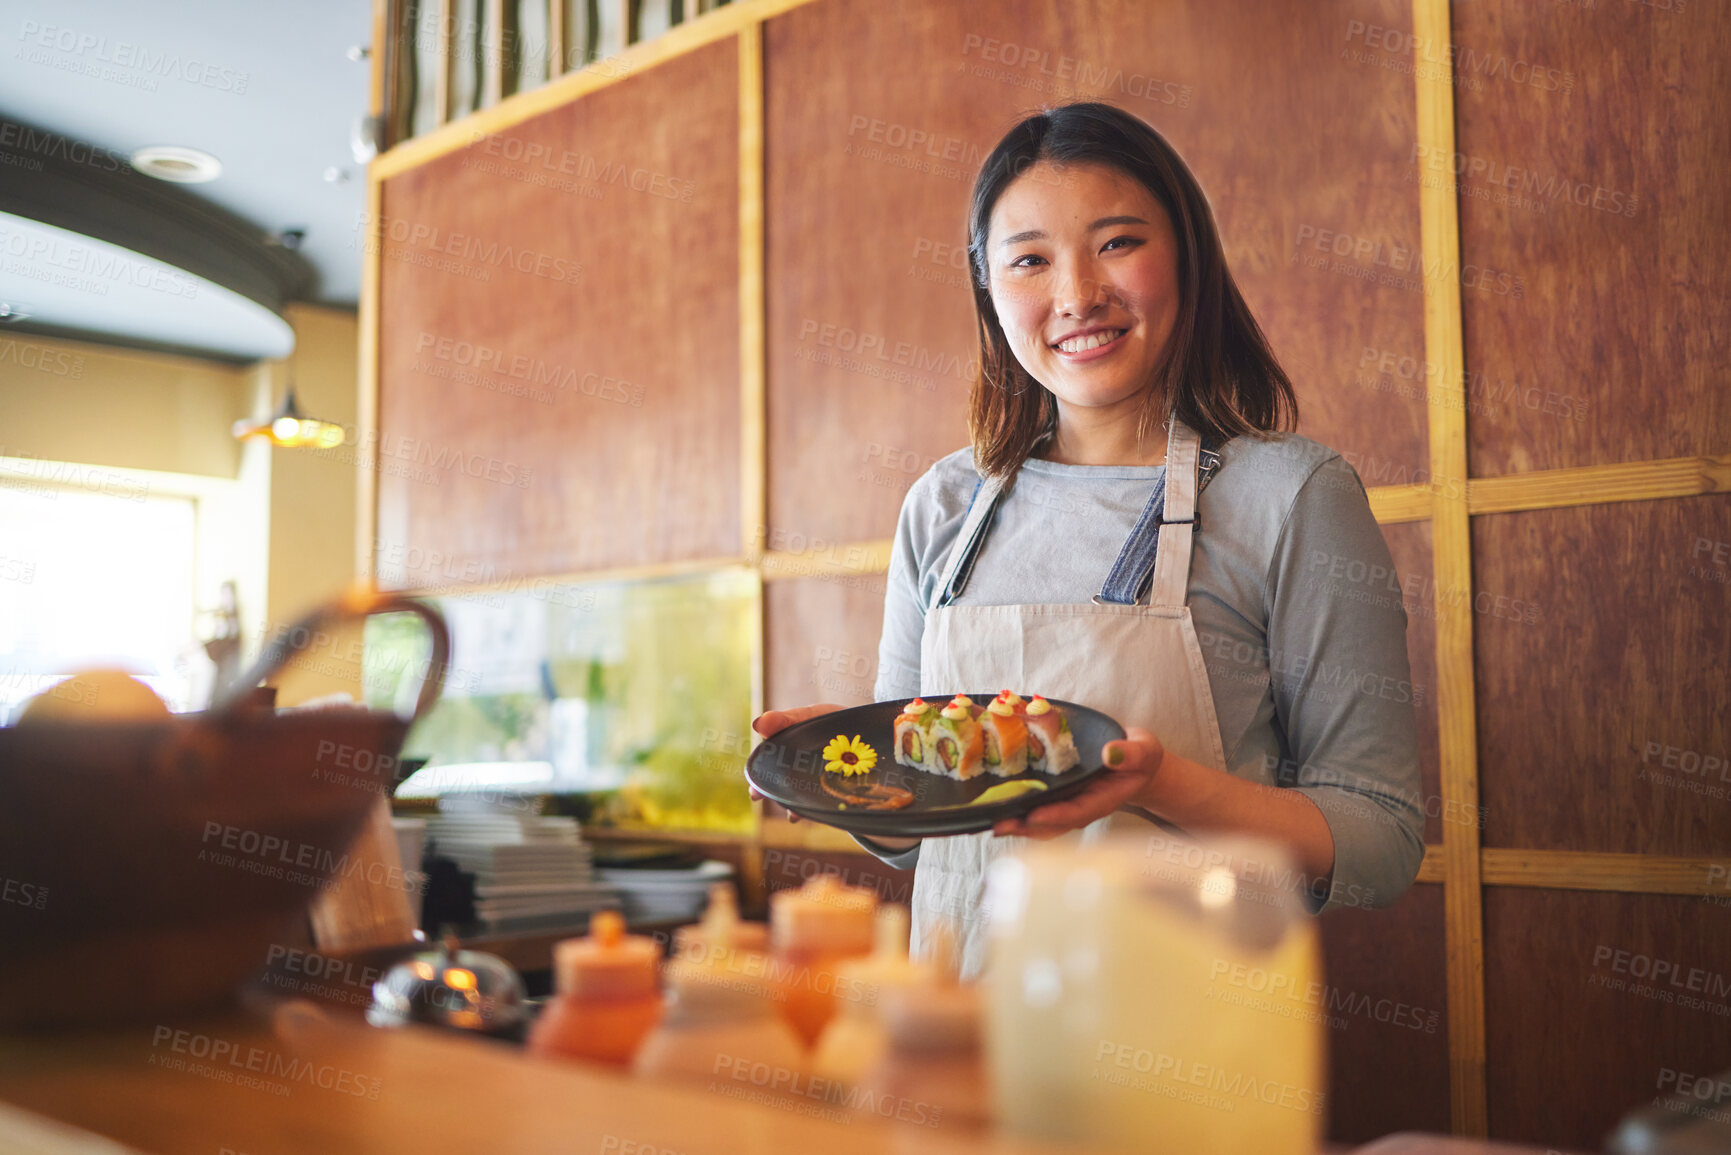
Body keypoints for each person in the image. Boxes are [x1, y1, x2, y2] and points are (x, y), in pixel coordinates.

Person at [752, 102, 1423, 978]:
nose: (1076, 296)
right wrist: (843, 786)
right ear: (988, 289)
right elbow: (917, 842)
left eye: (1116, 243)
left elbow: (1380, 839)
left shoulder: (1291, 495)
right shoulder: (942, 505)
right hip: (958, 1043)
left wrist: (1156, 783)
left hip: (1183, 1058)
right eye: (1029, 259)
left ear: (1185, 253)